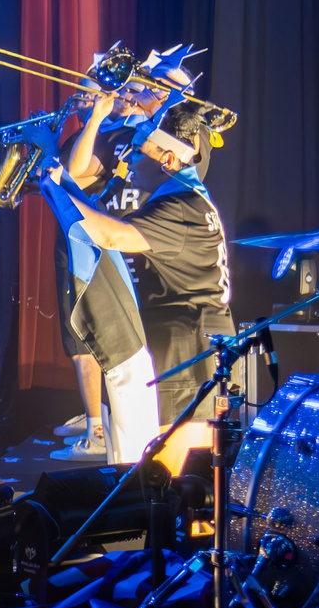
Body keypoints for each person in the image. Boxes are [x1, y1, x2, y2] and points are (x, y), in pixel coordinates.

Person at [55, 97, 230, 473]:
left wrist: (56, 189)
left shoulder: (179, 206)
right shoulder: (185, 198)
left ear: (167, 159)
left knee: (170, 477)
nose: (129, 163)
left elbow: (107, 234)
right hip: (189, 344)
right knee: (173, 481)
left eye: (138, 152)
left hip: (185, 353)